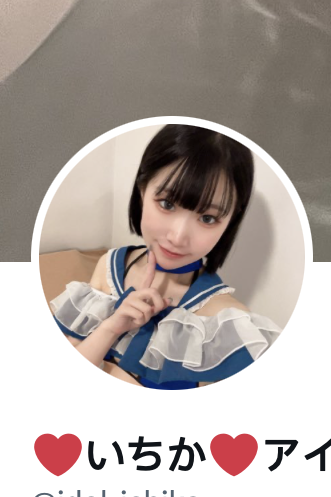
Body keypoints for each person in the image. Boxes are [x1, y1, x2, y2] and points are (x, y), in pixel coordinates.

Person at [48, 125, 280, 388]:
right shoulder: (108, 267)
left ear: (229, 223)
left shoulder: (225, 325)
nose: (178, 237)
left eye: (207, 218)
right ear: (142, 190)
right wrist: (111, 327)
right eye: (167, 204)